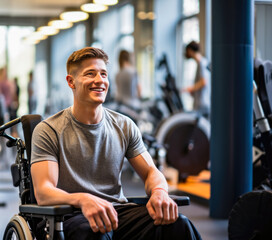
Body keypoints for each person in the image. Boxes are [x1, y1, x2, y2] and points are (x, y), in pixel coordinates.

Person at [30, 47, 201, 240]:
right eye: (90, 74)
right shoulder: (48, 130)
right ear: (71, 82)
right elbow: (44, 192)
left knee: (178, 224)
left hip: (117, 212)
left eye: (103, 74)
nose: (99, 80)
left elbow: (151, 172)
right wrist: (83, 199)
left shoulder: (124, 125)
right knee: (96, 233)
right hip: (71, 215)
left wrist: (160, 192)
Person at [182, 41, 211, 118]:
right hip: (200, 103)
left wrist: (191, 88)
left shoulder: (202, 63)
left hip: (203, 103)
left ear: (190, 51)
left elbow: (203, 82)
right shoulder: (200, 63)